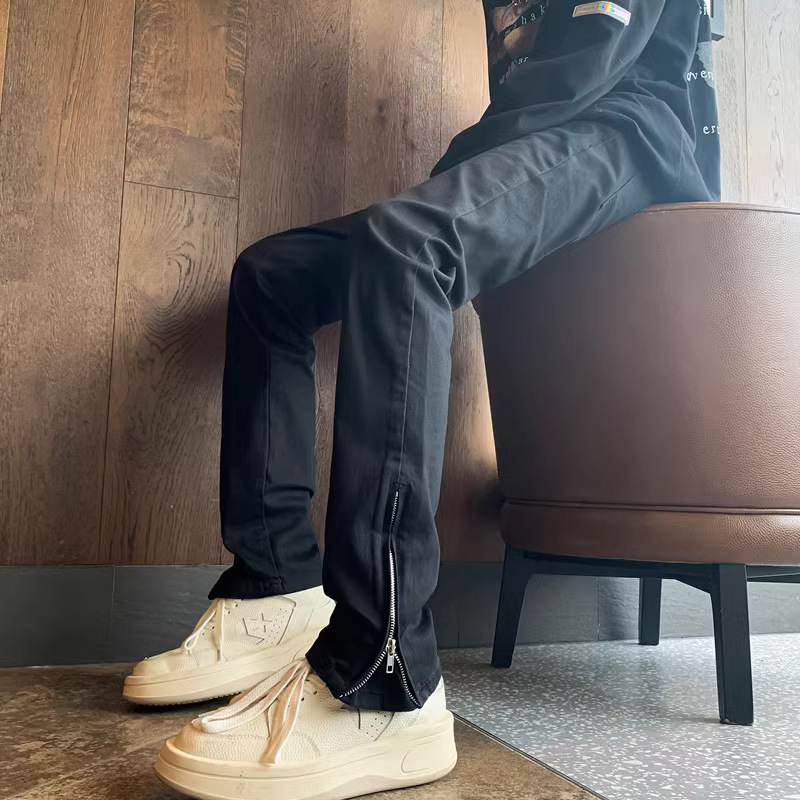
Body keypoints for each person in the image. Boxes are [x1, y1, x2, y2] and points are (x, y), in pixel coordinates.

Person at [126, 1, 720, 798]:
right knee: (272, 277)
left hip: (629, 125)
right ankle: (274, 587)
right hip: (561, 126)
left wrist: (443, 183)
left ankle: (385, 674)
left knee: (406, 242)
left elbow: (582, 65)